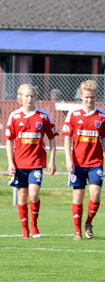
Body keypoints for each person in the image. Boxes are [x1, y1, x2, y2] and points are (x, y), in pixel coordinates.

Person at [6, 84, 58, 238]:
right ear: (20, 98)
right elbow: (9, 140)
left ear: (35, 97)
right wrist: (10, 163)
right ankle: (25, 230)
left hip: (36, 163)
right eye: (26, 96)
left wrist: (52, 160)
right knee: (22, 195)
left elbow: (53, 139)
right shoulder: (14, 116)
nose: (29, 98)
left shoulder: (43, 115)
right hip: (20, 163)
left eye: (32, 96)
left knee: (33, 194)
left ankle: (34, 226)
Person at [62, 80, 105, 241]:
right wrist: (68, 160)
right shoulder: (74, 115)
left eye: (92, 97)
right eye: (86, 97)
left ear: (96, 97)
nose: (89, 100)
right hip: (77, 163)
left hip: (96, 162)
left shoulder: (103, 116)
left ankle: (88, 223)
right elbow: (67, 139)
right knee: (78, 195)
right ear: (81, 97)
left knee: (95, 194)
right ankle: (77, 231)